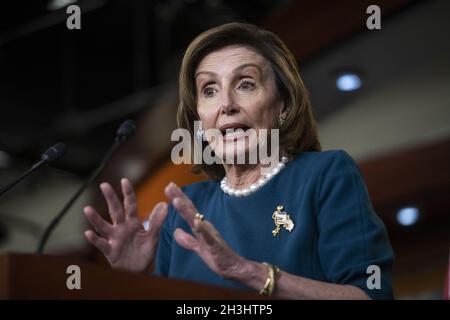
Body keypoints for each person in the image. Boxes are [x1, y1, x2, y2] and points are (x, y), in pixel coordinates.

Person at [83, 22, 394, 299]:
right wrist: (131, 280)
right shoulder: (184, 211)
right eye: (209, 90)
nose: (226, 104)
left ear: (283, 104)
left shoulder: (325, 175)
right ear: (199, 120)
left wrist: (251, 273)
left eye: (245, 84)